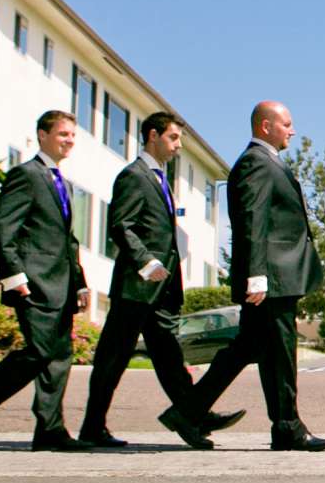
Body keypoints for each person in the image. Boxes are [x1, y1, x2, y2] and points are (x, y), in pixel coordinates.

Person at [171, 101, 325, 452]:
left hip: (275, 274)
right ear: (265, 126)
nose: (293, 129)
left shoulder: (265, 161)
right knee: (280, 353)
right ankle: (287, 426)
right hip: (272, 277)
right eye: (286, 123)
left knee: (248, 349)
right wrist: (257, 275)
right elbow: (252, 220)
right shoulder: (256, 162)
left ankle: (187, 412)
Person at [80, 112, 239, 449]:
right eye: (173, 138)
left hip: (160, 289)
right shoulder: (134, 176)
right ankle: (93, 426)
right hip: (136, 287)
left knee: (168, 355)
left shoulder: (160, 178)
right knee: (113, 358)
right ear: (153, 136)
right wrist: (146, 261)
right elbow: (121, 225)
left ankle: (192, 413)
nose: (178, 146)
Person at [0, 109, 94, 451]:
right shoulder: (26, 175)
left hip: (60, 282)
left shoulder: (62, 182)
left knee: (58, 355)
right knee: (42, 352)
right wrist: (12, 275)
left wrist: (80, 282)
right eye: (62, 134)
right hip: (33, 281)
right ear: (43, 135)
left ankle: (49, 430)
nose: (69, 140)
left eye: (72, 135)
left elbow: (67, 240)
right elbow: (2, 226)